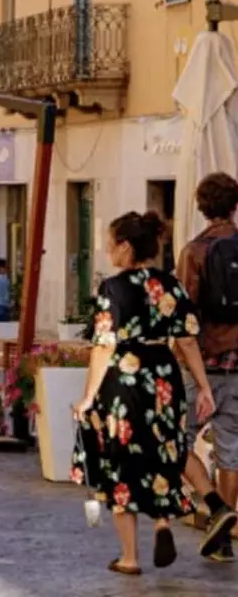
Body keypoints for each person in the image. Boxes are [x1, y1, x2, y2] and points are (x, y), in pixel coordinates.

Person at [70, 211, 218, 575]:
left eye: (109, 245)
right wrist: (203, 385)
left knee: (123, 458)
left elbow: (103, 346)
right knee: (165, 448)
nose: (107, 253)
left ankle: (130, 557)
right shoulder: (170, 284)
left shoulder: (114, 288)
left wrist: (88, 396)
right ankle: (163, 522)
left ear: (125, 246)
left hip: (125, 378)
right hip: (164, 374)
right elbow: (186, 339)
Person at [175, 172, 238, 562]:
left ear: (201, 207)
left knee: (174, 442)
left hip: (202, 367)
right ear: (234, 205)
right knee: (232, 452)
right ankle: (225, 539)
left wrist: (194, 375)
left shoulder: (194, 252)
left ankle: (216, 509)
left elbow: (183, 320)